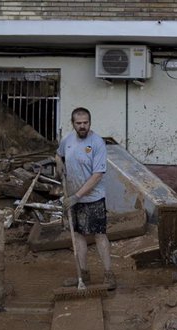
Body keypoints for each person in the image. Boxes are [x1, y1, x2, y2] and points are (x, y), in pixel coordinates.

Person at [56, 107, 116, 290]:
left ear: (90, 122)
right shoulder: (67, 139)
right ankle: (83, 274)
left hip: (93, 198)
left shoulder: (97, 143)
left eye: (85, 123)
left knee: (99, 235)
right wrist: (59, 163)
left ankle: (108, 275)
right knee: (78, 235)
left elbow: (98, 175)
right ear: (72, 123)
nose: (82, 126)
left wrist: (77, 196)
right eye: (78, 123)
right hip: (73, 197)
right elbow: (58, 154)